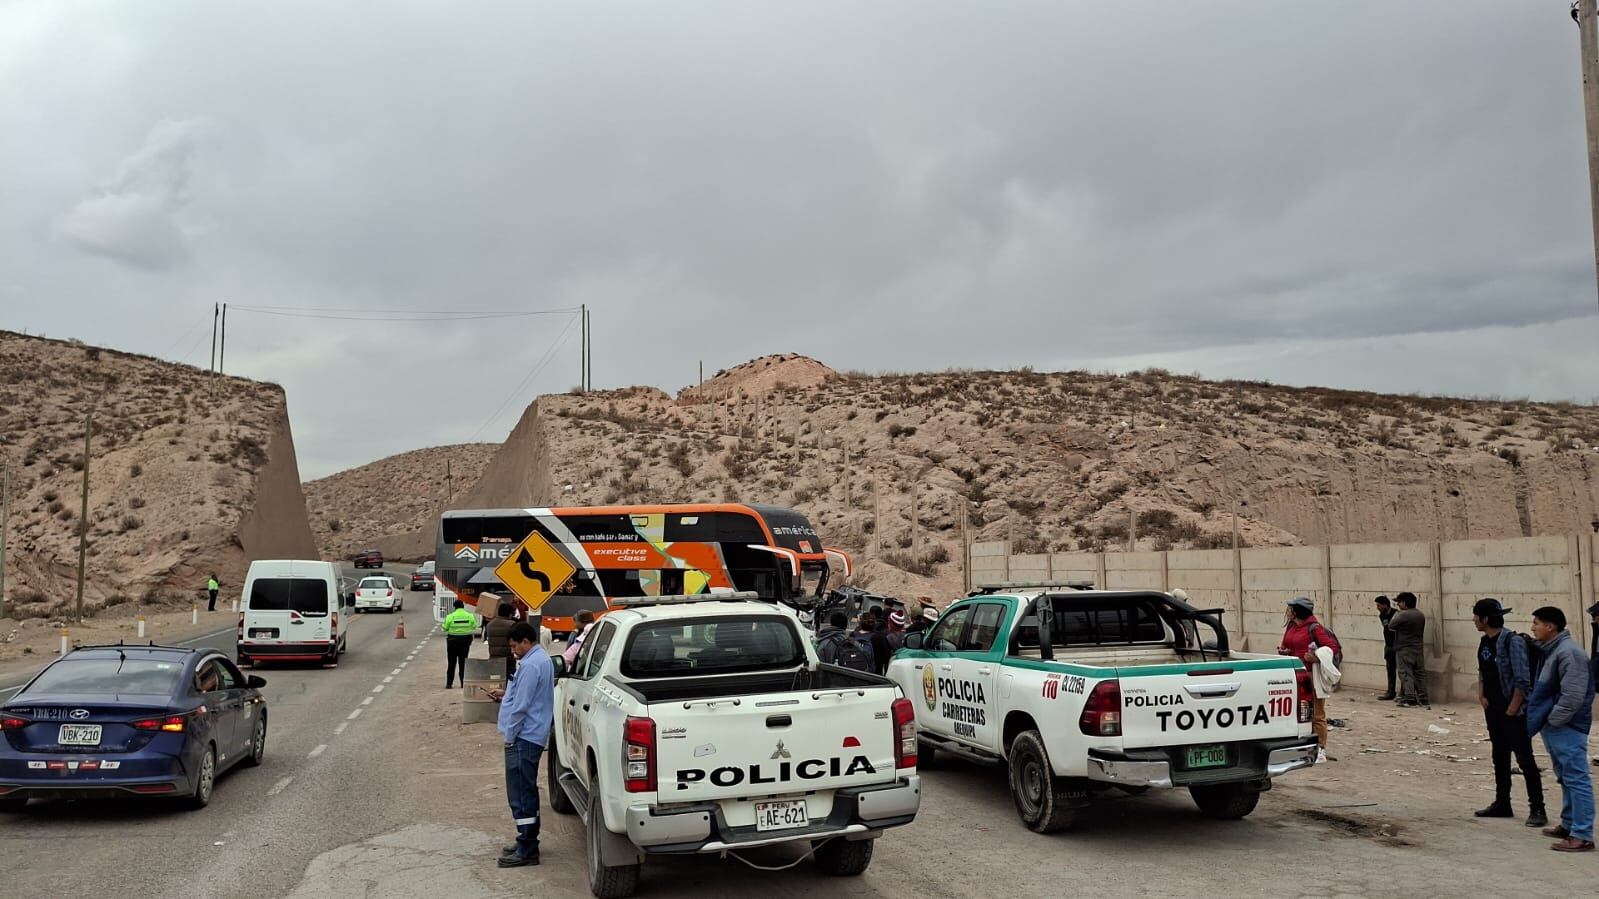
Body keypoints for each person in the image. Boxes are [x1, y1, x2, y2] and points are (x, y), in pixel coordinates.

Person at [1526, 606, 1596, 852]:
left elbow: (1573, 696)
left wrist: (1554, 719)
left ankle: (1583, 834)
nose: (1533, 627)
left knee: (1576, 778)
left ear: (1551, 627)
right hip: (1555, 725)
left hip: (1567, 726)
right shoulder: (1553, 650)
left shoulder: (1569, 653)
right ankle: (1568, 824)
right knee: (1565, 776)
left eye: (1536, 623)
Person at [1470, 598, 1545, 827]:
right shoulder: (1484, 642)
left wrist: (1512, 709)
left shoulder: (1512, 642)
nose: (1473, 620)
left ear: (1484, 619)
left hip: (1512, 710)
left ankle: (1537, 808)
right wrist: (1482, 696)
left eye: (1476, 616)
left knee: (1524, 758)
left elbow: (1522, 680)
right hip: (1492, 708)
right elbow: (1483, 670)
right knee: (1499, 755)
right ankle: (1502, 802)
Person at [487, 622, 554, 868]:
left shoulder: (530, 665)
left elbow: (522, 706)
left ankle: (527, 848)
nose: (513, 651)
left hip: (524, 738)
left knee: (521, 794)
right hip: (531, 735)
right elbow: (526, 696)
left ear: (526, 641)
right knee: (525, 791)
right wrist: (505, 695)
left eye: (515, 646)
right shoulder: (539, 661)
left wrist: (510, 736)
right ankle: (526, 840)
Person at [1277, 596, 1340, 763]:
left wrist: (1316, 658)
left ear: (1297, 611)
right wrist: (1285, 651)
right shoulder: (1291, 626)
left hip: (1311, 677)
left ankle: (1321, 750)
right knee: (1299, 713)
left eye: (1290, 608)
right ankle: (1303, 747)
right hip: (1294, 676)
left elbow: (1332, 648)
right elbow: (1289, 645)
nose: (1288, 611)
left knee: (1317, 714)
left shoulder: (1314, 628)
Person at [1390, 592, 1429, 707]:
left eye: (1399, 602)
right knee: (1419, 673)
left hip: (1404, 648)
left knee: (1406, 673)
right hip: (1417, 648)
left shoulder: (1402, 615)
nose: (1398, 605)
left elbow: (1391, 626)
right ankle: (1423, 697)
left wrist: (1397, 614)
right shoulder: (1420, 615)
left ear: (1405, 603)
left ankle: (1409, 697)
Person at [441, 599, 477, 689]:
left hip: (452, 641)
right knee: (463, 663)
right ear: (463, 606)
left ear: (454, 607)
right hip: (465, 642)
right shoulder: (470, 616)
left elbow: (444, 628)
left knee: (451, 663)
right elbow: (474, 626)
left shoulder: (450, 616)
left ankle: (449, 684)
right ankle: (462, 684)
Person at [486, 601, 519, 681]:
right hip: (508, 660)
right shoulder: (511, 624)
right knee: (510, 684)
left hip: (494, 659)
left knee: (496, 683)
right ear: (509, 614)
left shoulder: (489, 624)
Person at [1375, 595, 1397, 700]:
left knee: (1402, 670)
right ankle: (1391, 691)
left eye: (1379, 605)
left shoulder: (1396, 614)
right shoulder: (1382, 615)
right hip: (1388, 645)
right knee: (1390, 669)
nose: (1377, 608)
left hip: (1397, 645)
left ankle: (1404, 692)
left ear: (1385, 605)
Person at [857, 611, 891, 675]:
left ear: (860, 622)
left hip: (854, 674)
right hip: (874, 676)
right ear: (874, 623)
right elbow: (886, 658)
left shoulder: (853, 636)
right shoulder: (880, 638)